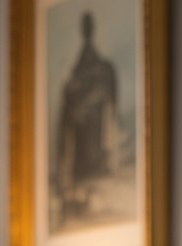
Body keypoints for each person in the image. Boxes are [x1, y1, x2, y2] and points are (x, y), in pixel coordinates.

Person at [55, 12, 120, 224]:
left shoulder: (97, 65)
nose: (86, 29)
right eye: (85, 26)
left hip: (93, 132)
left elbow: (103, 91)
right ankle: (78, 196)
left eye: (87, 25)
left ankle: (89, 194)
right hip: (82, 136)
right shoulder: (78, 67)